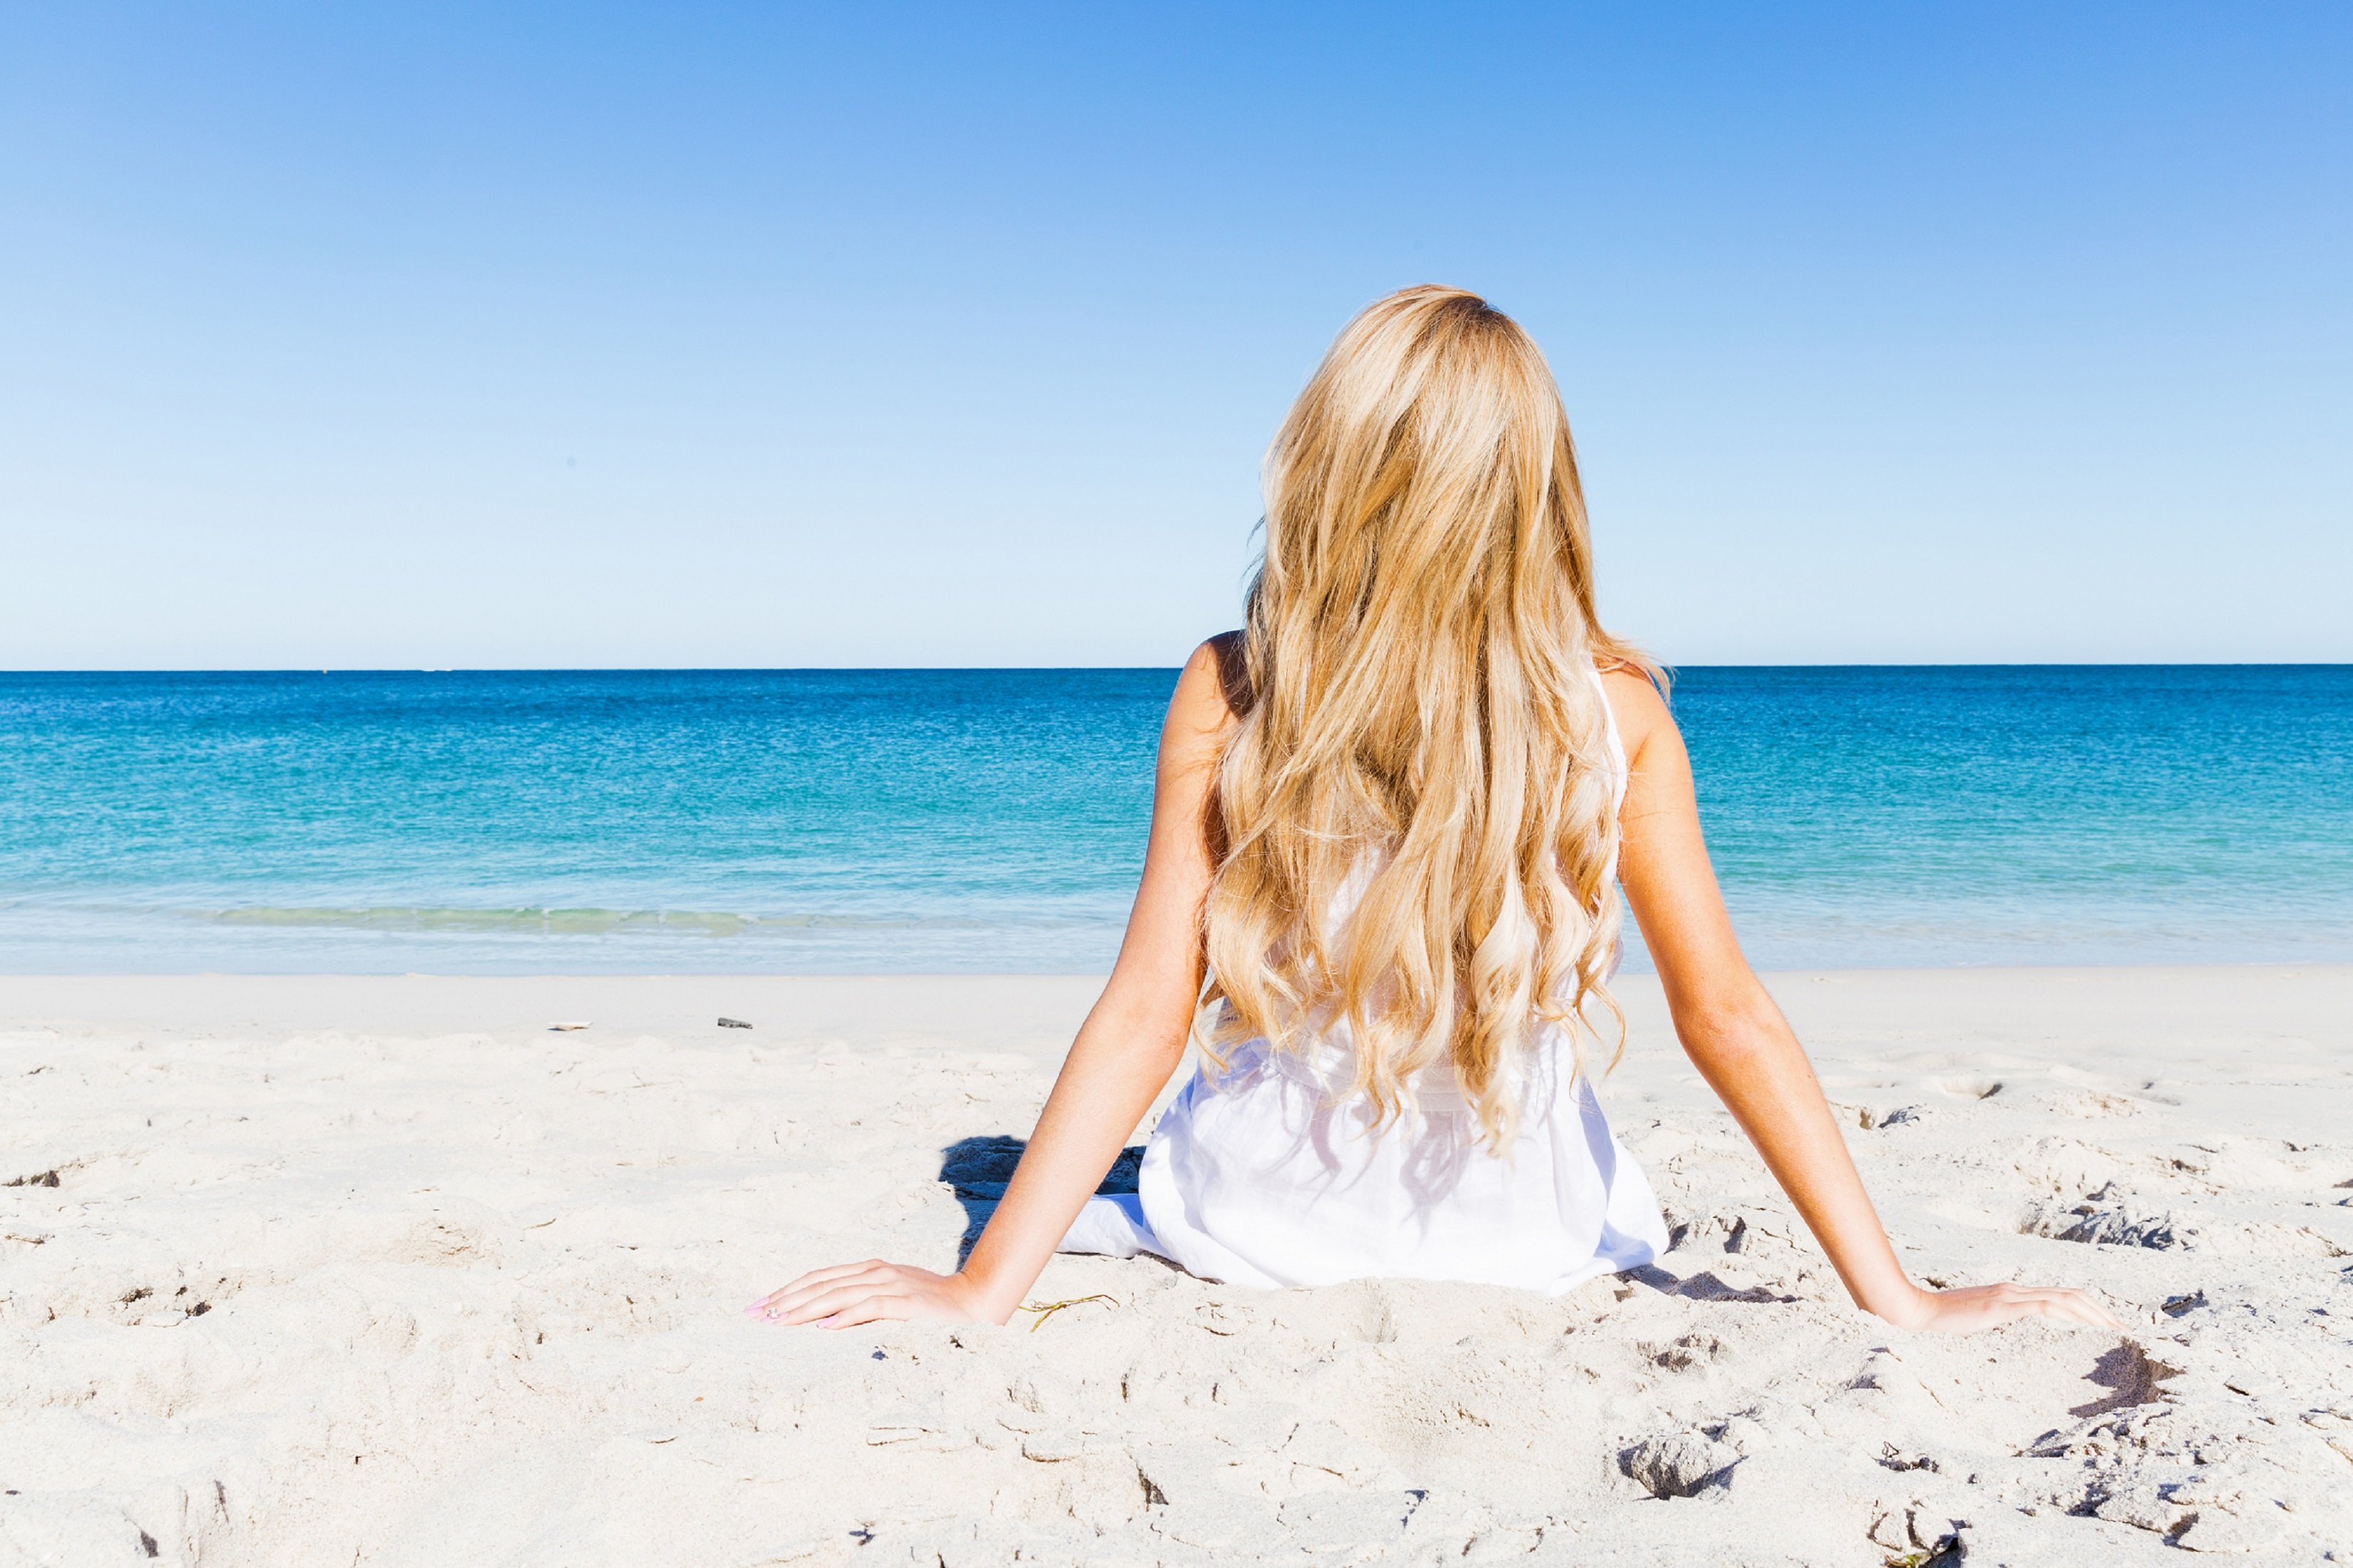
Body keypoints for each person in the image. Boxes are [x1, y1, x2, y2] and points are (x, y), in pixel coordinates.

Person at [749, 286, 2120, 1336]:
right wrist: (1903, 1300)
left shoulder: (1236, 687)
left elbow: (1143, 1010)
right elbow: (1726, 1014)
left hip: (1263, 1225)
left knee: (1176, 1126)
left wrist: (983, 1290)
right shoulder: (1616, 710)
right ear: (1535, 491)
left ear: (1331, 475)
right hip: (1525, 1246)